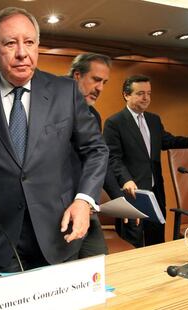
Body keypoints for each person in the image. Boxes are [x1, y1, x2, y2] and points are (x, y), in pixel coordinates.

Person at [0, 7, 108, 276]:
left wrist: (84, 200)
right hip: (2, 236)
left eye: (29, 42)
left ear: (38, 46)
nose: (22, 52)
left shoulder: (65, 91)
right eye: (10, 43)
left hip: (59, 231)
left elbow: (96, 149)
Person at [103, 74, 188, 247]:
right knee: (133, 245)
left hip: (155, 192)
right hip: (132, 193)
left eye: (149, 93)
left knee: (157, 242)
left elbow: (167, 140)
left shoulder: (154, 120)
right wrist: (126, 179)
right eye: (140, 93)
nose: (146, 98)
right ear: (126, 95)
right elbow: (113, 158)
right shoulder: (114, 123)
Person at [68, 53, 123, 258]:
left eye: (104, 82)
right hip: (54, 211)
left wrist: (119, 200)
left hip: (84, 208)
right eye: (96, 80)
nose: (100, 88)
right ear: (77, 76)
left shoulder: (94, 115)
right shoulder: (50, 107)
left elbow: (99, 161)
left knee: (97, 268)